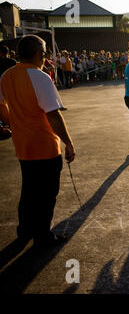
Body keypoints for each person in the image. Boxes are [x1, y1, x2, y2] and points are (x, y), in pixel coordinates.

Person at [0, 35, 76, 247]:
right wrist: (68, 142)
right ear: (37, 54)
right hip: (45, 146)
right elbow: (53, 115)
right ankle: (42, 236)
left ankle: (24, 230)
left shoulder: (6, 76)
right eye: (44, 54)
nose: (45, 58)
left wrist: (12, 123)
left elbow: (1, 105)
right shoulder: (40, 77)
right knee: (47, 194)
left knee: (29, 191)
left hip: (23, 145)